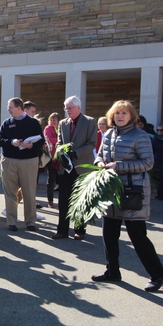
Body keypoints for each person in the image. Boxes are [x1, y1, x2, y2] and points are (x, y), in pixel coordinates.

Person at [92, 100, 163, 292]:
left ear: (131, 116)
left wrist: (119, 166)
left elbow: (148, 163)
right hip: (111, 190)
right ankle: (113, 271)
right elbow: (100, 155)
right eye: (117, 113)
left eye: (124, 113)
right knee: (109, 235)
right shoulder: (108, 134)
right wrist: (100, 163)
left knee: (138, 237)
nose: (120, 116)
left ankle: (158, 275)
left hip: (133, 191)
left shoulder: (140, 135)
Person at [52, 95, 98, 240]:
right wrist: (60, 151)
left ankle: (80, 229)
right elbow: (59, 142)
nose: (67, 111)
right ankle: (62, 230)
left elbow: (91, 143)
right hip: (66, 167)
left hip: (82, 166)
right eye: (66, 108)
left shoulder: (90, 122)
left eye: (70, 108)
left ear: (78, 107)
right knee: (63, 199)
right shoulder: (63, 123)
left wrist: (75, 153)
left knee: (80, 199)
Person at [0, 97, 43, 231]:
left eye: (10, 107)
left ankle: (30, 222)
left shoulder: (33, 123)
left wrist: (30, 146)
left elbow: (40, 140)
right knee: (10, 192)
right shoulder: (6, 123)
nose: (8, 109)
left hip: (28, 161)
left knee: (29, 192)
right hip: (9, 161)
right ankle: (11, 221)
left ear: (19, 108)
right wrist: (11, 141)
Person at [44, 112, 61, 208]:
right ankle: (50, 200)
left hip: (60, 157)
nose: (52, 122)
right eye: (51, 120)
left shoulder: (61, 128)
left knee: (62, 180)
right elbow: (50, 139)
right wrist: (58, 139)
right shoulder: (48, 128)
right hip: (51, 157)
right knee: (51, 180)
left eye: (54, 120)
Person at [151, 123, 163, 200]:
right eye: (158, 130)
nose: (159, 131)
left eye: (161, 130)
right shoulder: (154, 139)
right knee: (157, 178)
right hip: (157, 160)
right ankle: (158, 193)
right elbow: (152, 150)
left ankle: (162, 194)